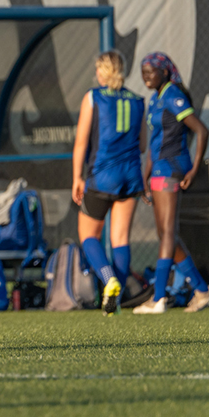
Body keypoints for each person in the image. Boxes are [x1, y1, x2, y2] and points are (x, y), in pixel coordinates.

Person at [133, 52, 209, 314]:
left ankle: (159, 297)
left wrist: (193, 170)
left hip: (171, 169)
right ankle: (202, 291)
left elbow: (202, 130)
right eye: (143, 72)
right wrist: (144, 177)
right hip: (158, 169)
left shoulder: (172, 95)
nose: (146, 76)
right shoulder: (154, 99)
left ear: (166, 72)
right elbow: (154, 144)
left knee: (168, 232)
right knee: (165, 234)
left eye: (151, 72)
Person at [71, 51, 144, 316]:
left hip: (103, 176)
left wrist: (77, 177)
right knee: (121, 239)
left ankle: (108, 278)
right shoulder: (138, 100)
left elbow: (81, 142)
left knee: (89, 235)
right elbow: (143, 143)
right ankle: (115, 301)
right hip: (131, 175)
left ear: (102, 72)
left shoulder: (94, 97)